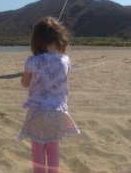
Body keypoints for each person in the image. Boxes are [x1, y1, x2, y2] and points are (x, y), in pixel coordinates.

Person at [18, 17, 80, 173]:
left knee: (37, 146)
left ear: (36, 40)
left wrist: (29, 75)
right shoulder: (66, 60)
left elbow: (25, 83)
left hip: (38, 112)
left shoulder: (32, 61)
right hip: (58, 112)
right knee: (53, 146)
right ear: (60, 38)